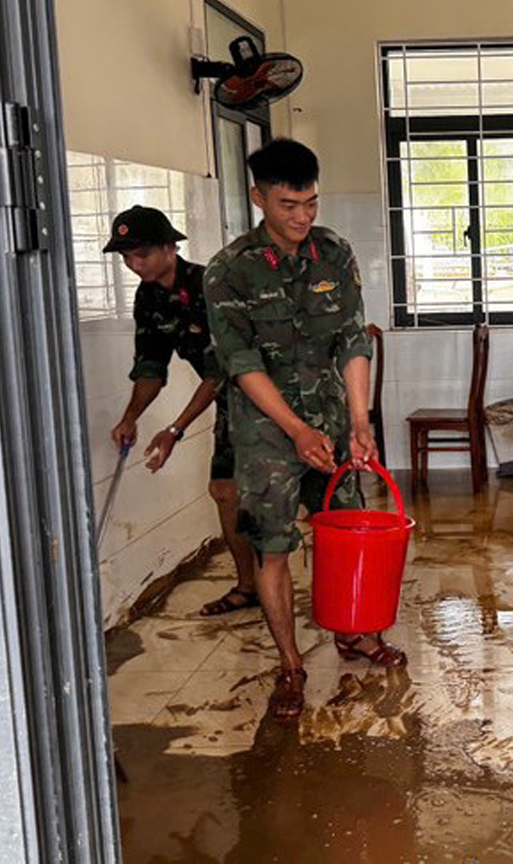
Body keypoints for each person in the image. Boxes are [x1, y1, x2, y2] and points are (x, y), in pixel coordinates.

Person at [204, 138, 405, 721]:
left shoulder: (333, 254)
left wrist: (360, 418)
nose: (302, 217)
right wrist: (294, 430)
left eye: (311, 203)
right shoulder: (230, 271)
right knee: (272, 545)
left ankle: (353, 632)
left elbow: (350, 339)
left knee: (345, 533)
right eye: (289, 205)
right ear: (258, 198)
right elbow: (241, 364)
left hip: (332, 420)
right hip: (267, 430)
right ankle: (291, 663)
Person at [107, 205, 258, 617]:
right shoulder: (149, 297)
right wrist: (130, 417)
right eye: (125, 257)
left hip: (269, 394)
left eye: (140, 254)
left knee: (286, 492)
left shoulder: (212, 286)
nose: (132, 265)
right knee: (225, 491)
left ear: (170, 247)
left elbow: (219, 370)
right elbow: (152, 368)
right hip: (230, 399)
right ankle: (249, 588)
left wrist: (174, 430)